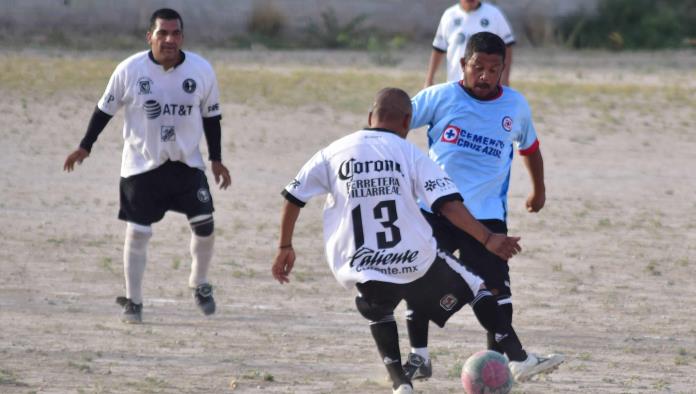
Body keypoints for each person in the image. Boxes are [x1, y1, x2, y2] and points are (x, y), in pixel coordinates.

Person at [272, 88, 557, 393]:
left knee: (379, 309)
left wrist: (285, 246)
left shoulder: (333, 152)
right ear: (408, 121)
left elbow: (293, 196)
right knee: (475, 285)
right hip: (414, 261)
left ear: (370, 117)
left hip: (361, 264)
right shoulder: (409, 154)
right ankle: (519, 357)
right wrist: (487, 238)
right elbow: (447, 205)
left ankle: (401, 383)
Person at [403, 31, 563, 381]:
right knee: (420, 281)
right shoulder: (440, 97)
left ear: (504, 69)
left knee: (495, 287)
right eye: (478, 67)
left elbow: (530, 148)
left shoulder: (515, 105)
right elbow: (397, 121)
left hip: (488, 215)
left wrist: (539, 190)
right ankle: (419, 358)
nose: (486, 76)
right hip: (435, 211)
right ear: (463, 64)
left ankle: (497, 366)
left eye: (494, 69)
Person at [63, 8, 231, 324]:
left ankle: (199, 282)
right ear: (149, 37)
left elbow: (212, 118)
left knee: (205, 225)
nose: (169, 39)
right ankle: (134, 301)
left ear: (182, 36)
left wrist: (217, 160)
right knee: (138, 233)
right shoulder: (129, 70)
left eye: (175, 33)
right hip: (141, 166)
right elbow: (104, 111)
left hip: (185, 164)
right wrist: (84, 146)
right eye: (162, 33)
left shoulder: (201, 70)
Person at [424, 0, 515, 87]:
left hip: (486, 84)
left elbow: (507, 45)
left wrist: (505, 78)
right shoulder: (449, 15)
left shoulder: (494, 14)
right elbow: (438, 48)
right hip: (456, 83)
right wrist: (429, 79)